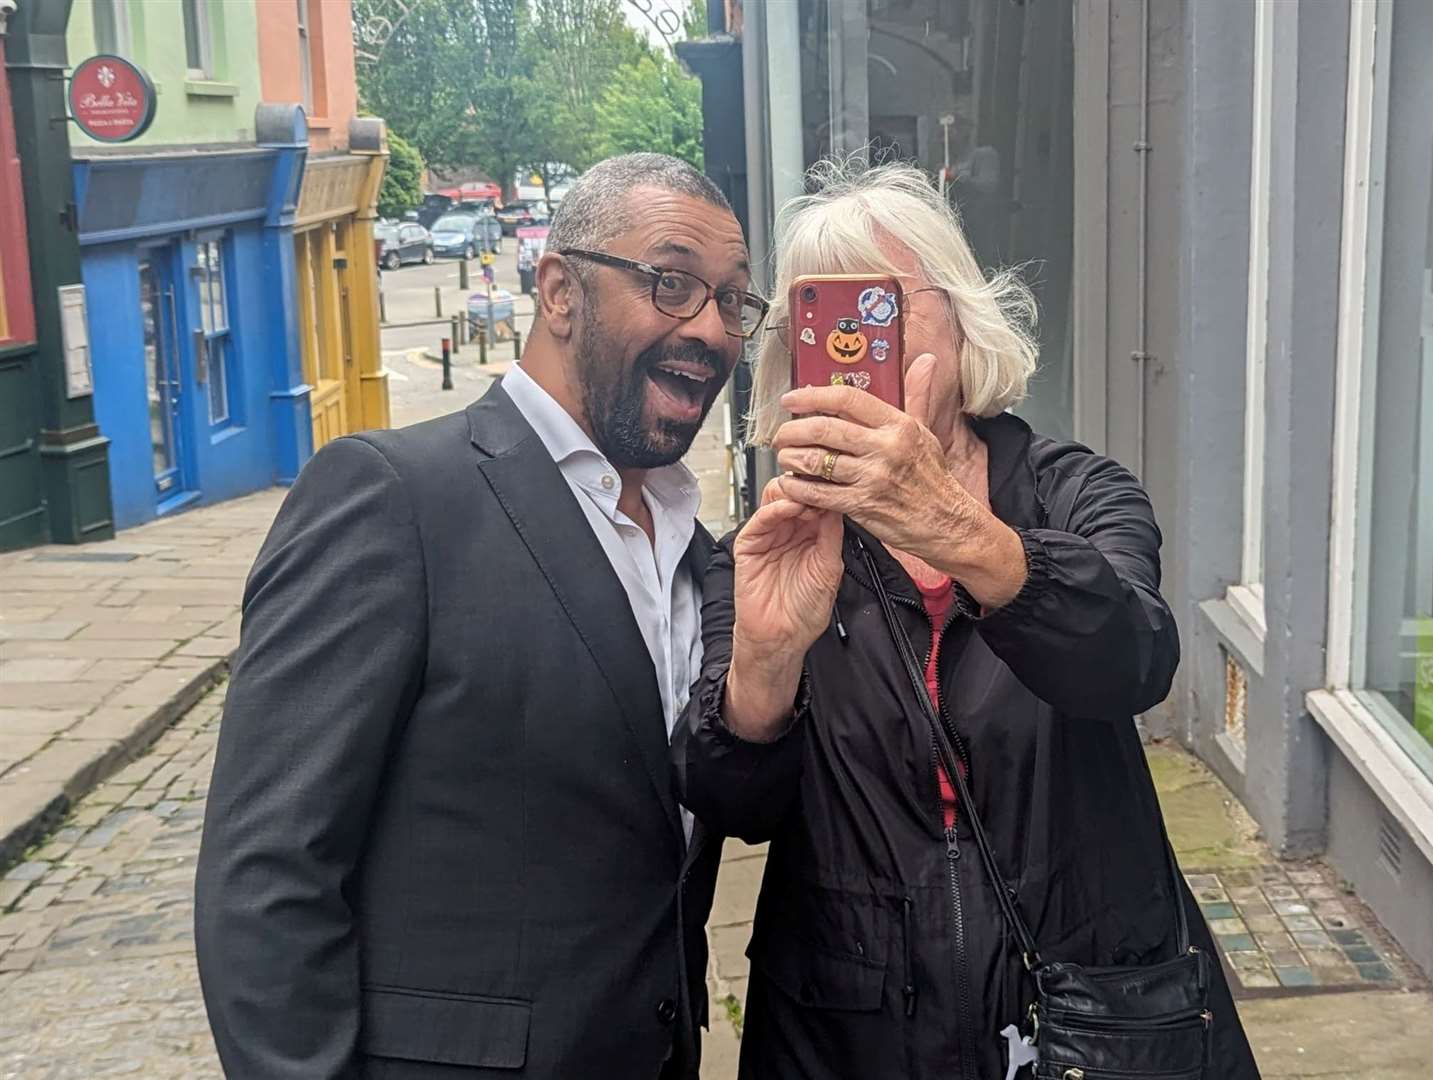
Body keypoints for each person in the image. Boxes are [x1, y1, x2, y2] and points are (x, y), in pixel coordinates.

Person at [672, 161, 1260, 1079]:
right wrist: (766, 664)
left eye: (888, 307)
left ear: (962, 315)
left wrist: (953, 529)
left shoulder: (1073, 492)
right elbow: (734, 803)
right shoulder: (767, 545)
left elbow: (1131, 663)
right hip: (851, 1028)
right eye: (835, 320)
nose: (866, 343)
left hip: (1085, 1009)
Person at [194, 153, 768, 1079]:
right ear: (558, 292)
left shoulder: (700, 554)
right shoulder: (390, 498)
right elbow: (267, 875)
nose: (710, 328)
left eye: (734, 301)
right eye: (671, 284)